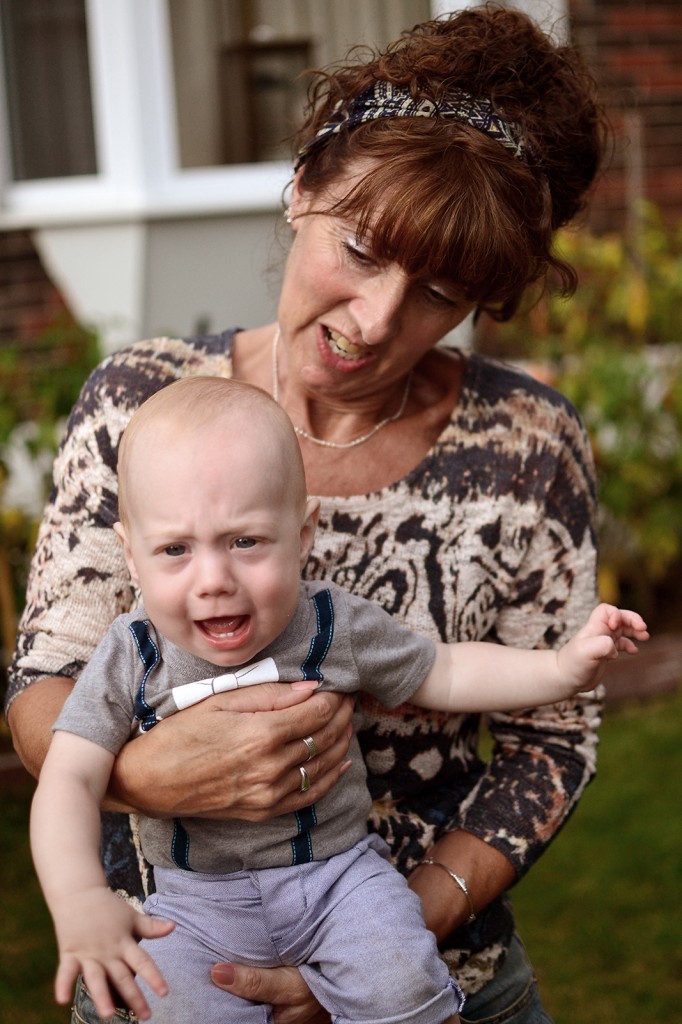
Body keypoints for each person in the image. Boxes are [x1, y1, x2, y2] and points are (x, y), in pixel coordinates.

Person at [6, 5, 612, 1022]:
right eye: (364, 249)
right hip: (172, 964)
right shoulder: (142, 400)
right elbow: (45, 688)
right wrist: (155, 773)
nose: (378, 321)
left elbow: (551, 744)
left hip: (425, 964)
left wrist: (393, 930)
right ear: (302, 187)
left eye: (437, 291)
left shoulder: (527, 443)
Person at [30, 376, 647, 1024]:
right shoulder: (133, 653)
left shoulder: (331, 624)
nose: (214, 580)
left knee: (407, 986)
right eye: (175, 550)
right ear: (131, 555)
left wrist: (560, 666)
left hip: (338, 883)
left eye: (245, 541)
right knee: (170, 1004)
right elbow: (69, 777)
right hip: (194, 912)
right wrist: (77, 898)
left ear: (303, 536)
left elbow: (448, 672)